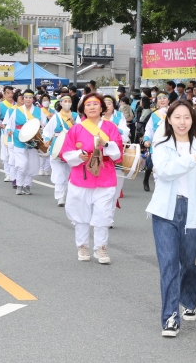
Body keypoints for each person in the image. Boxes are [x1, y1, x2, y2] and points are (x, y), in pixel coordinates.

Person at [146, 100, 196, 338]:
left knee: (192, 263)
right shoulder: (161, 145)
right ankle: (170, 317)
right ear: (169, 120)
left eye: (187, 117)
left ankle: (189, 299)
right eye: (177, 117)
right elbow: (164, 171)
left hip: (193, 210)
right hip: (165, 211)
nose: (182, 122)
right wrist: (192, 160)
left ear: (193, 121)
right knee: (169, 264)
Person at [59, 92, 123, 263]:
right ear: (83, 109)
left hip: (105, 175)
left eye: (95, 104)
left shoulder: (110, 128)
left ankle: (101, 248)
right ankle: (82, 246)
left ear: (102, 107)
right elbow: (66, 152)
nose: (92, 107)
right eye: (88, 105)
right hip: (82, 176)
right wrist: (78, 156)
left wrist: (105, 144)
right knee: (81, 213)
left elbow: (118, 154)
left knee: (103, 213)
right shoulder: (76, 129)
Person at [5, 89, 47, 195]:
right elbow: (10, 124)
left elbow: (45, 124)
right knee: (22, 163)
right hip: (19, 138)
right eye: (26, 97)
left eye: (30, 98)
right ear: (23, 99)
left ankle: (27, 185)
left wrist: (44, 137)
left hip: (33, 140)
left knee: (32, 164)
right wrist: (9, 130)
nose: (28, 100)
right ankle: (19, 185)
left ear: (33, 99)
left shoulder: (38, 111)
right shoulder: (17, 110)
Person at [43, 93, 78, 206]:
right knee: (59, 172)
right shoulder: (56, 116)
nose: (67, 103)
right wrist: (47, 139)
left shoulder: (76, 116)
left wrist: (74, 123)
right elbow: (48, 130)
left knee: (70, 172)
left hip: (71, 146)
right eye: (65, 101)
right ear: (61, 103)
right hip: (57, 145)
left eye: (69, 101)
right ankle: (60, 197)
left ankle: (69, 196)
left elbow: (82, 130)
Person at [103, 94, 131, 214]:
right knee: (103, 188)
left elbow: (125, 135)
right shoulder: (96, 117)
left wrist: (113, 127)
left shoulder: (119, 116)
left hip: (117, 154)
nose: (107, 106)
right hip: (102, 155)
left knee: (116, 186)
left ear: (114, 105)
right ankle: (102, 214)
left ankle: (110, 215)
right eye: (104, 103)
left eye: (109, 103)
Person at [142, 92, 171, 192]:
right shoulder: (153, 115)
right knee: (154, 167)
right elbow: (149, 129)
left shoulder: (174, 112)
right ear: (157, 102)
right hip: (157, 145)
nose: (162, 100)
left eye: (164, 98)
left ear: (168, 100)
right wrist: (146, 140)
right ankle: (154, 186)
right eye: (159, 99)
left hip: (171, 145)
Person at [0, 86, 17, 182]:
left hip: (15, 132)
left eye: (11, 93)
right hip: (5, 131)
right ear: (4, 94)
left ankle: (14, 173)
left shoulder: (17, 105)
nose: (10, 95)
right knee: (6, 153)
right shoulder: (0, 105)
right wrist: (1, 124)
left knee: (14, 153)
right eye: (8, 93)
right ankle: (7, 173)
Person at [37, 94, 55, 177]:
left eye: (47, 100)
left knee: (49, 151)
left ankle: (47, 169)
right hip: (42, 132)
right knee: (43, 150)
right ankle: (41, 168)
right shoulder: (40, 111)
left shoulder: (53, 111)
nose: (46, 102)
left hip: (51, 133)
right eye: (44, 100)